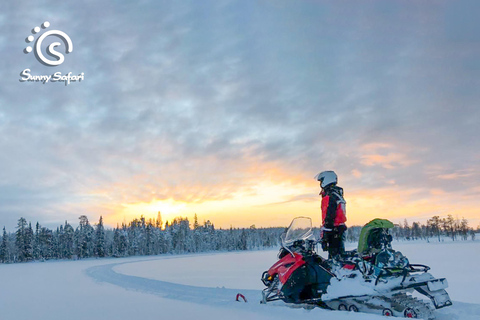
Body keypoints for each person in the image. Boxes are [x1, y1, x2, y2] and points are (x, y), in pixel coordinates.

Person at [314, 170, 347, 259]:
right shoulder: (337, 194)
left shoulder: (329, 196)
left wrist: (326, 234)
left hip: (333, 231)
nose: (320, 184)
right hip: (339, 230)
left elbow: (329, 216)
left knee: (334, 259)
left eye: (321, 181)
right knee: (339, 256)